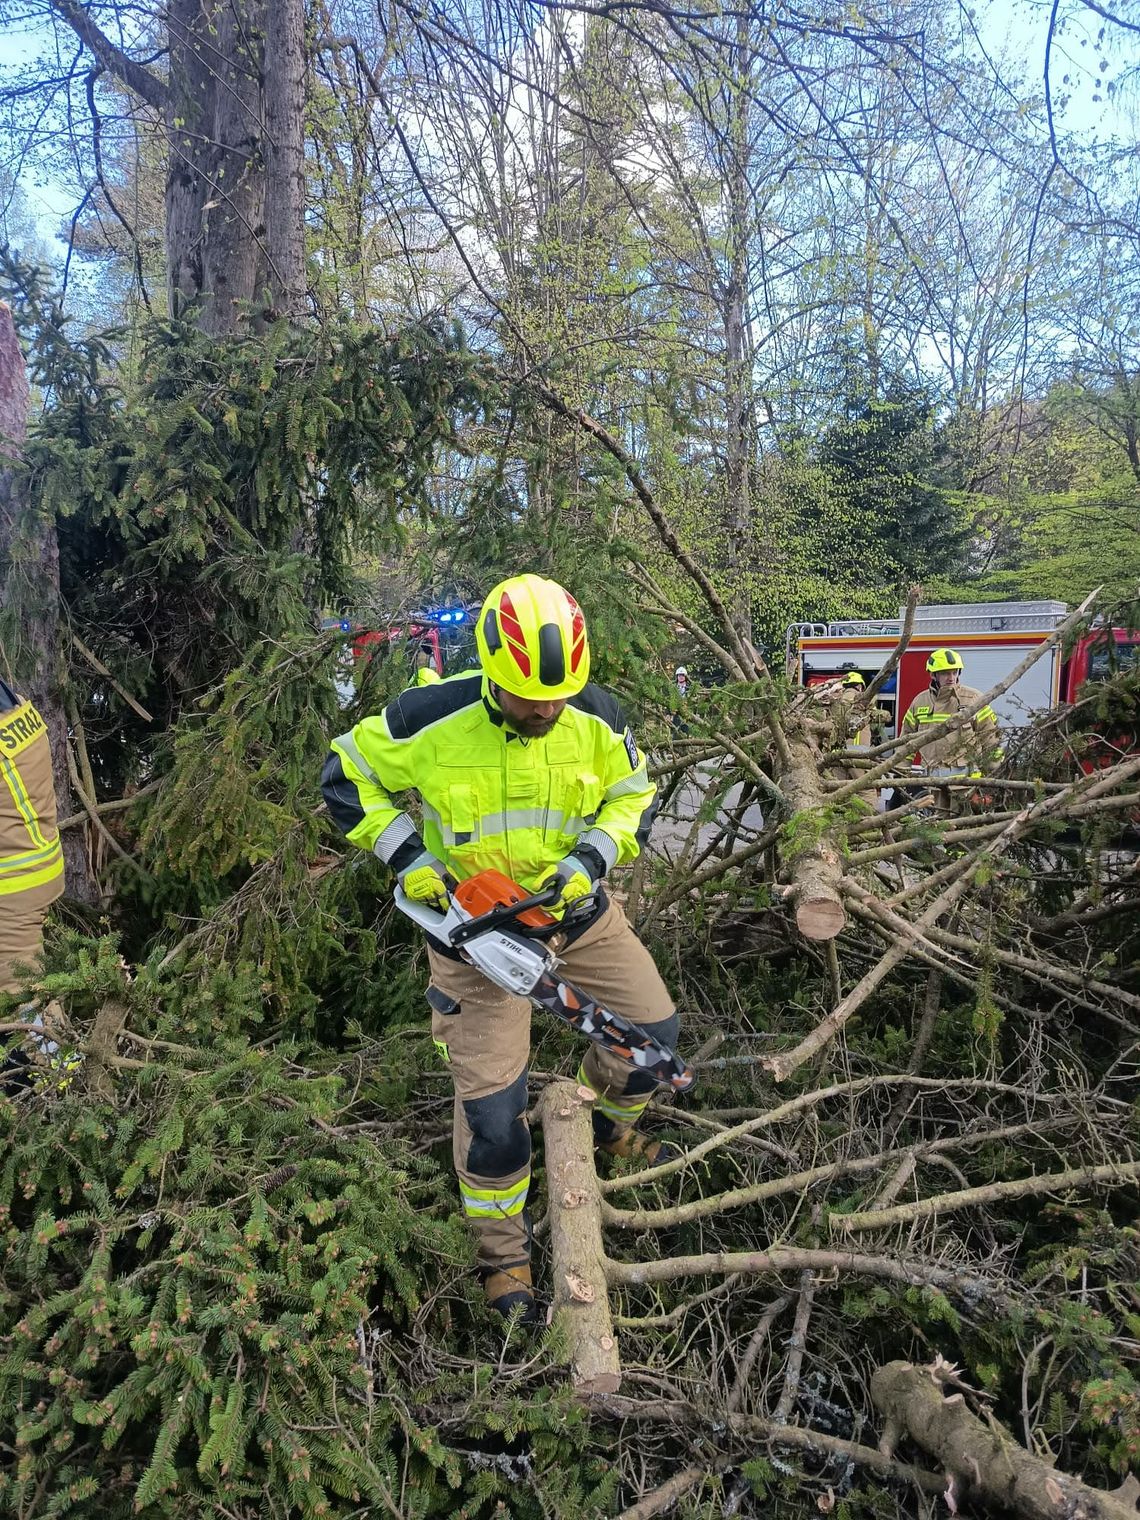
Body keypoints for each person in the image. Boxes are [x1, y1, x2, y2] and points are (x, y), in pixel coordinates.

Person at [320, 573, 680, 1323]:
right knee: (493, 1121)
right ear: (491, 671)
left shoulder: (596, 717)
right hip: (474, 939)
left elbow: (634, 794)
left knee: (654, 1038)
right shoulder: (428, 716)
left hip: (574, 917)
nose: (547, 708)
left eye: (558, 694)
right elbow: (345, 774)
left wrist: (589, 862)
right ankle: (503, 1259)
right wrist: (408, 859)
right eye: (529, 696)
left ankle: (605, 1128)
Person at [0, 677, 64, 997]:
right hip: (35, 874)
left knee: (19, 1005)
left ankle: (50, 1048)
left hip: (10, 895)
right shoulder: (10, 700)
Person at [901, 649, 1003, 774]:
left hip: (965, 785)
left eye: (955, 673)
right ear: (933, 674)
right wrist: (902, 771)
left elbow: (990, 738)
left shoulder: (973, 699)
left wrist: (993, 773)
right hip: (930, 784)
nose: (951, 678)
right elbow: (906, 740)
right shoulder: (920, 701)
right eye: (945, 673)